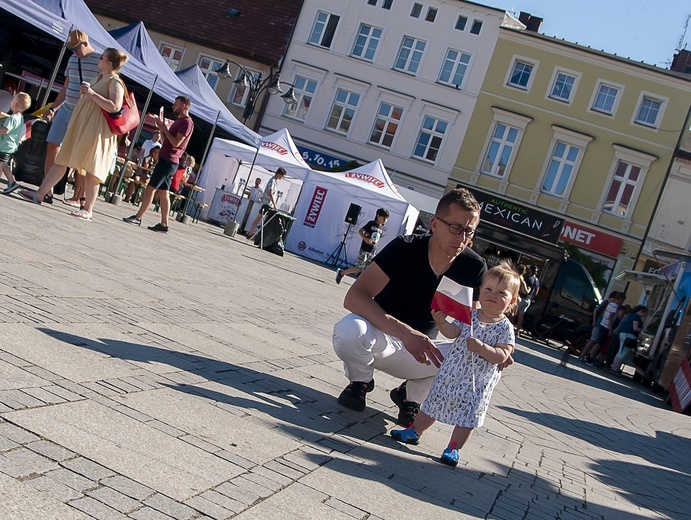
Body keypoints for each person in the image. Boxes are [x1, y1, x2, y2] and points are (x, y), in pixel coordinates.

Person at [332, 188, 503, 426]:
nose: (462, 238)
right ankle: (359, 382)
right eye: (455, 228)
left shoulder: (473, 267)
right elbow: (354, 298)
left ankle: (410, 397)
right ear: (434, 224)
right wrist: (405, 332)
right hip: (380, 337)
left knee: (469, 359)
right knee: (349, 329)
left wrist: (497, 349)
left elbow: (472, 325)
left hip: (424, 353)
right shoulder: (406, 247)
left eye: (469, 231)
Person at [390, 262, 519, 466]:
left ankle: (453, 448)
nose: (492, 295)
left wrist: (483, 349)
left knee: (467, 417)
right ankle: (415, 431)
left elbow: (503, 355)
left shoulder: (505, 328)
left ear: (511, 301)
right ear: (480, 291)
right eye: (488, 289)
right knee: (433, 403)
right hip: (452, 373)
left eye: (501, 293)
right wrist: (442, 322)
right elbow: (453, 333)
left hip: (477, 383)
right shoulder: (471, 315)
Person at [19, 48, 129, 221]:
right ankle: (40, 194)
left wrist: (91, 94)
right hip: (82, 127)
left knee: (92, 168)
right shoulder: (100, 77)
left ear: (109, 63)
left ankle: (88, 209)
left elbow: (115, 107)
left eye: (102, 57)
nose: (98, 59)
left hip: (96, 131)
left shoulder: (115, 81)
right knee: (63, 158)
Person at [40, 30, 100, 204]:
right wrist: (53, 108)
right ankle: (47, 191)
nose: (73, 52)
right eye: (71, 49)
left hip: (84, 113)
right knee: (52, 145)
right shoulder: (73, 59)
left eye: (75, 48)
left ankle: (80, 197)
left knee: (80, 155)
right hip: (66, 108)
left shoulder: (100, 60)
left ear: (85, 44)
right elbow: (66, 87)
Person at [122, 95, 194, 233]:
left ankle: (138, 217)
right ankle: (164, 223)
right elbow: (167, 138)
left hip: (169, 160)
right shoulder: (180, 121)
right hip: (168, 160)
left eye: (176, 104)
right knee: (163, 192)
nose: (173, 106)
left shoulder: (186, 123)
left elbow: (176, 143)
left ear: (184, 106)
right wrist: (161, 127)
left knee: (151, 188)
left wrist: (165, 129)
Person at [336, 208, 390, 284]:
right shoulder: (371, 223)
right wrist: (365, 238)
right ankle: (342, 273)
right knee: (359, 268)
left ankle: (362, 283)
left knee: (369, 268)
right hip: (365, 249)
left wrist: (376, 244)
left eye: (387, 218)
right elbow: (361, 230)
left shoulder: (381, 228)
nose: (385, 220)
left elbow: (377, 237)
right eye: (384, 217)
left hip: (372, 251)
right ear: (378, 216)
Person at [579, 291, 625, 363]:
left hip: (602, 323)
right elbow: (610, 317)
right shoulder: (612, 305)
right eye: (622, 300)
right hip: (604, 325)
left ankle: (589, 355)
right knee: (596, 341)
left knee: (597, 341)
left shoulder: (609, 304)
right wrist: (610, 328)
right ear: (619, 299)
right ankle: (587, 356)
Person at [0, 92, 32, 195]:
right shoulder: (20, 117)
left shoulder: (11, 118)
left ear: (16, 104)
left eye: (13, 100)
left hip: (5, 146)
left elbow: (5, 131)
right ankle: (12, 182)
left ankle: (12, 182)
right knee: (3, 165)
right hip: (10, 146)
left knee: (1, 165)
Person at [247, 167, 287, 240]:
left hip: (268, 204)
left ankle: (252, 233)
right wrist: (274, 204)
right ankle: (251, 233)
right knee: (260, 219)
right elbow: (270, 193)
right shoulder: (272, 181)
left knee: (261, 219)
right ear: (279, 174)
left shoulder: (275, 181)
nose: (282, 177)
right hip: (266, 203)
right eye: (282, 175)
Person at [610, 305, 648, 375]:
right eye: (645, 313)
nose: (644, 315)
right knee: (624, 353)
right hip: (630, 335)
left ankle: (613, 368)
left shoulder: (631, 315)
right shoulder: (637, 317)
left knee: (620, 352)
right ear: (641, 311)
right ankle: (615, 369)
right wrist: (642, 330)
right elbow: (635, 328)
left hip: (623, 333)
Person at [514, 264, 539, 337]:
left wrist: (523, 294)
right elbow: (537, 291)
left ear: (531, 270)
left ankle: (509, 329)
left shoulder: (529, 279)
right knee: (521, 316)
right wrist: (531, 297)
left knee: (513, 314)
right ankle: (517, 331)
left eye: (529, 269)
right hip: (528, 300)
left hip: (523, 299)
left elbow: (527, 290)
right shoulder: (537, 280)